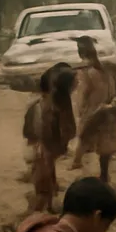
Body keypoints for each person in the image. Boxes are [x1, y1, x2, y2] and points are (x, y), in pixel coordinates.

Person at [23, 62, 76, 213]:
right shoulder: (46, 107)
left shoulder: (58, 102)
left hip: (46, 149)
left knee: (47, 176)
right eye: (74, 82)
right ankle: (41, 210)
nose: (77, 84)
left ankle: (48, 201)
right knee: (43, 187)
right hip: (43, 149)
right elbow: (40, 132)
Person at [71, 35, 116, 183]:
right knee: (106, 145)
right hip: (109, 110)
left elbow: (83, 94)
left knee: (85, 136)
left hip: (94, 111)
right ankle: (104, 174)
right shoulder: (106, 70)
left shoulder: (87, 72)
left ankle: (77, 162)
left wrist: (81, 111)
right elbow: (113, 89)